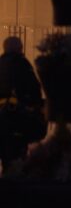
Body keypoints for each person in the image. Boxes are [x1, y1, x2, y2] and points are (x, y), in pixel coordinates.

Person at [0, 35, 46, 173]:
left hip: (2, 122)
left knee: (6, 157)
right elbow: (34, 91)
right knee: (18, 160)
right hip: (18, 121)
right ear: (19, 49)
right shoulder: (22, 64)